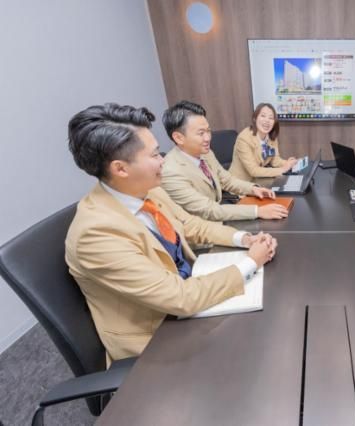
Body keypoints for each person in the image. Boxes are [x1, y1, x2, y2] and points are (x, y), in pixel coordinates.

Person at [65, 103, 277, 364]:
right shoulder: (95, 234)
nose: (163, 160)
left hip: (187, 295)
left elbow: (191, 225)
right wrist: (251, 262)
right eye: (155, 155)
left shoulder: (148, 189)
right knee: (257, 348)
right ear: (120, 169)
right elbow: (180, 297)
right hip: (158, 338)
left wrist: (243, 239)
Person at [160, 101, 288, 221]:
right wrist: (257, 211)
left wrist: (253, 189)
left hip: (218, 216)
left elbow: (227, 180)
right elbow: (208, 209)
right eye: (201, 133)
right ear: (179, 138)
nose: (208, 138)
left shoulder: (206, 153)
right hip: (203, 229)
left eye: (208, 131)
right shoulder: (170, 171)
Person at [229, 103, 298, 181]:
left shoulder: (271, 137)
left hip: (259, 180)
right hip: (240, 183)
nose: (267, 120)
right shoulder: (244, 138)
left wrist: (289, 163)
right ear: (255, 118)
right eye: (263, 116)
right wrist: (283, 169)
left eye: (271, 118)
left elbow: (275, 160)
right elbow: (254, 170)